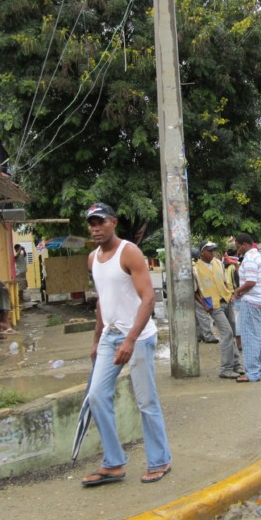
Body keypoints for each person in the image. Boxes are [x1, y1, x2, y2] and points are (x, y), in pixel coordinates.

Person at [82, 202, 171, 486]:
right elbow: (101, 302)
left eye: (100, 222)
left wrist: (131, 339)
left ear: (114, 222)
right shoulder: (92, 258)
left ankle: (160, 460)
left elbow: (148, 299)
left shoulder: (129, 251)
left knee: (145, 401)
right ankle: (114, 462)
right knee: (96, 396)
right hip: (110, 336)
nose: (95, 228)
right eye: (91, 224)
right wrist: (97, 340)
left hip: (139, 335)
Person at [194, 241, 244, 379]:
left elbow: (224, 281)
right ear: (202, 252)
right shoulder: (195, 268)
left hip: (226, 300)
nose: (212, 253)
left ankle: (236, 364)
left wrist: (229, 293)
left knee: (232, 333)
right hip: (214, 305)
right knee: (226, 333)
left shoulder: (218, 263)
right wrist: (204, 305)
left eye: (213, 251)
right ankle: (226, 368)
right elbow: (195, 291)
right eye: (209, 251)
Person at [233, 233, 261, 383]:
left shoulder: (249, 258)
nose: (238, 250)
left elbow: (250, 282)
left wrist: (238, 291)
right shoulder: (258, 256)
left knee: (250, 338)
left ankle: (252, 373)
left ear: (244, 244)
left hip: (252, 302)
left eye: (238, 247)